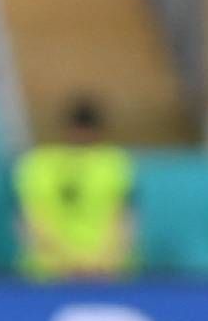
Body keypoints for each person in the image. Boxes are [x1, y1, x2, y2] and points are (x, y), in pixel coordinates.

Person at [14, 95, 135, 281]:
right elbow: (29, 220)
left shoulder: (114, 164)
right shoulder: (39, 165)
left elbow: (123, 219)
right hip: (55, 273)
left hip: (96, 271)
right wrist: (78, 263)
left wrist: (101, 262)